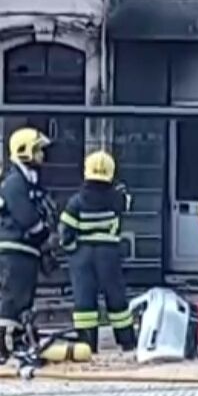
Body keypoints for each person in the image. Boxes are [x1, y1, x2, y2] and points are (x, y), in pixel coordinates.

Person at [59, 150, 136, 353]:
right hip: (108, 254)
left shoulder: (76, 201)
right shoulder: (117, 198)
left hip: (82, 255)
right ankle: (127, 341)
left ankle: (87, 344)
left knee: (84, 301)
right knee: (116, 297)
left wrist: (71, 250)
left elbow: (65, 232)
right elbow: (128, 203)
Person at [0, 127, 54, 361]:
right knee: (12, 298)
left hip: (27, 251)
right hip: (14, 249)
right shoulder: (14, 183)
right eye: (38, 150)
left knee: (24, 299)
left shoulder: (30, 181)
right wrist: (44, 237)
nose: (42, 155)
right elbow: (26, 217)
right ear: (24, 152)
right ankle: (2, 345)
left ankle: (20, 340)